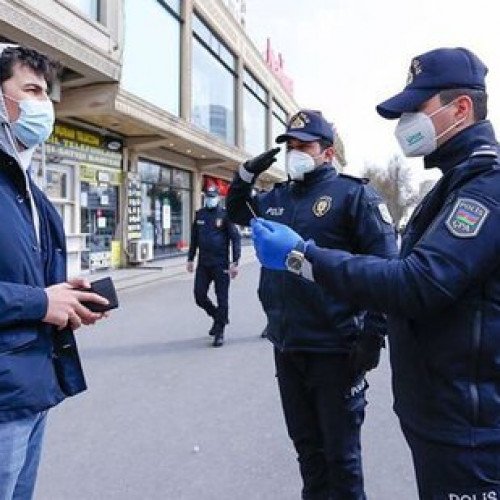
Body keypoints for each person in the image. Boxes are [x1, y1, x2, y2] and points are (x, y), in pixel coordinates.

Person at [250, 48, 500, 500]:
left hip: (467, 426)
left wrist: (304, 258)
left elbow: (415, 280)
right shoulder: (452, 182)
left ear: (461, 109)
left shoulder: (485, 186)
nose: (405, 123)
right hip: (436, 410)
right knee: (311, 455)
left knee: (341, 464)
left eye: (415, 110)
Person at [227, 109, 398, 500]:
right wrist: (245, 175)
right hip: (288, 346)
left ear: (327, 152)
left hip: (336, 348)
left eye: (304, 146)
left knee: (341, 458)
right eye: (289, 146)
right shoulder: (277, 197)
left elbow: (384, 267)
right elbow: (237, 212)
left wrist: (373, 334)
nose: (294, 153)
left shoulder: (354, 196)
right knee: (308, 452)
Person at [0, 45, 109, 500]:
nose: (43, 105)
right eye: (31, 90)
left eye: (47, 95)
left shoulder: (25, 187)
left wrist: (64, 298)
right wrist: (42, 302)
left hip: (32, 385)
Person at [187, 185, 241, 347]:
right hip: (203, 264)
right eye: (208, 196)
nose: (210, 199)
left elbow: (235, 239)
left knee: (222, 297)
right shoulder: (200, 215)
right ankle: (219, 316)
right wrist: (190, 259)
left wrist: (235, 261)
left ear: (218, 197)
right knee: (199, 295)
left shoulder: (225, 215)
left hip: (220, 264)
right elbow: (194, 239)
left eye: (213, 196)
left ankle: (220, 332)